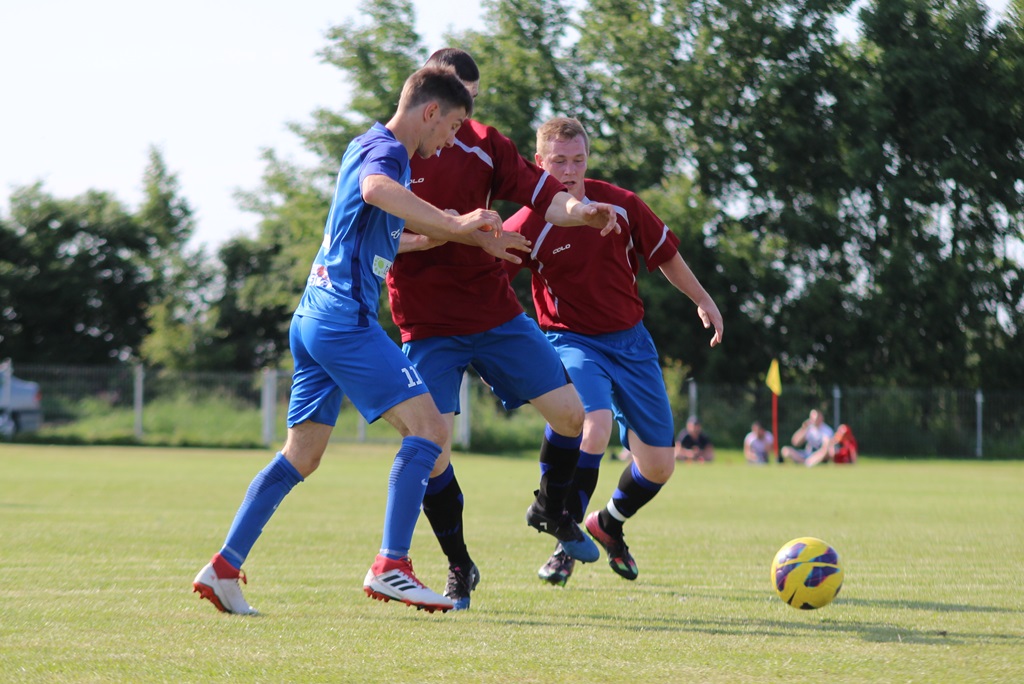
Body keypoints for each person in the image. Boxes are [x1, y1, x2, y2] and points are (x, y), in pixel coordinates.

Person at [192, 66, 525, 616]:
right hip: (343, 318)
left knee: (301, 455)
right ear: (430, 112)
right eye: (452, 126)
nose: (451, 141)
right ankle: (391, 566)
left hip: (313, 315)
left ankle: (226, 567)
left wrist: (458, 234)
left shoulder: (364, 144)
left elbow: (381, 234)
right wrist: (458, 222)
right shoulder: (389, 153)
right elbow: (377, 190)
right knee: (431, 429)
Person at [387, 49, 620, 609]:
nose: (466, 117)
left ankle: (550, 508)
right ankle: (458, 565)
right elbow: (379, 237)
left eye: (474, 101)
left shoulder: (487, 144)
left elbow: (544, 198)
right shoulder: (390, 153)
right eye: (458, 104)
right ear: (432, 101)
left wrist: (580, 211)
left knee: (572, 415)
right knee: (431, 446)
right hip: (426, 323)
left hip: (493, 312)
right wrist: (456, 232)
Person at [504, 116, 724, 587]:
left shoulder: (620, 205)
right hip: (571, 339)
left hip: (632, 343)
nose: (568, 169)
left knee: (660, 466)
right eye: (558, 161)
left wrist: (703, 299)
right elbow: (489, 279)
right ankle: (566, 540)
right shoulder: (528, 220)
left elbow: (664, 254)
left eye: (577, 160)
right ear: (539, 163)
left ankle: (608, 523)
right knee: (594, 424)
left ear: (588, 160)